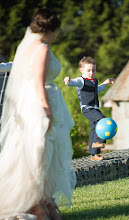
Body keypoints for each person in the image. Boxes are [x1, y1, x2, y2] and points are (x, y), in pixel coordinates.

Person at [0, 8, 76, 220]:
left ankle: (43, 203)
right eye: (57, 29)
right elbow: (38, 83)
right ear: (51, 29)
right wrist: (47, 111)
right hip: (41, 105)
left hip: (28, 105)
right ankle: (40, 204)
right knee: (43, 155)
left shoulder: (29, 47)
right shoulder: (42, 48)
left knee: (35, 155)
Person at [64, 56, 115, 161]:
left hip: (95, 108)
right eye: (88, 70)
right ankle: (98, 142)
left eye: (93, 70)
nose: (91, 73)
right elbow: (73, 83)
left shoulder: (94, 81)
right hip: (87, 108)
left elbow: (97, 90)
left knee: (94, 129)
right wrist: (68, 82)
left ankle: (94, 155)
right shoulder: (81, 80)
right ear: (81, 70)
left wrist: (106, 82)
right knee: (102, 120)